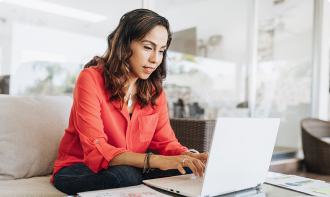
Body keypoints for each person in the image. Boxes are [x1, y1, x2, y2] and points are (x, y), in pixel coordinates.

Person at [51, 9, 209, 195]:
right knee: (125, 175)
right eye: (148, 47)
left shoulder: (154, 92)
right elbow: (96, 150)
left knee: (189, 168)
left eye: (161, 51)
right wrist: (156, 161)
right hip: (78, 169)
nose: (155, 59)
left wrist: (190, 156)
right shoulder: (91, 79)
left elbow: (167, 143)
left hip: (132, 166)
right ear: (125, 45)